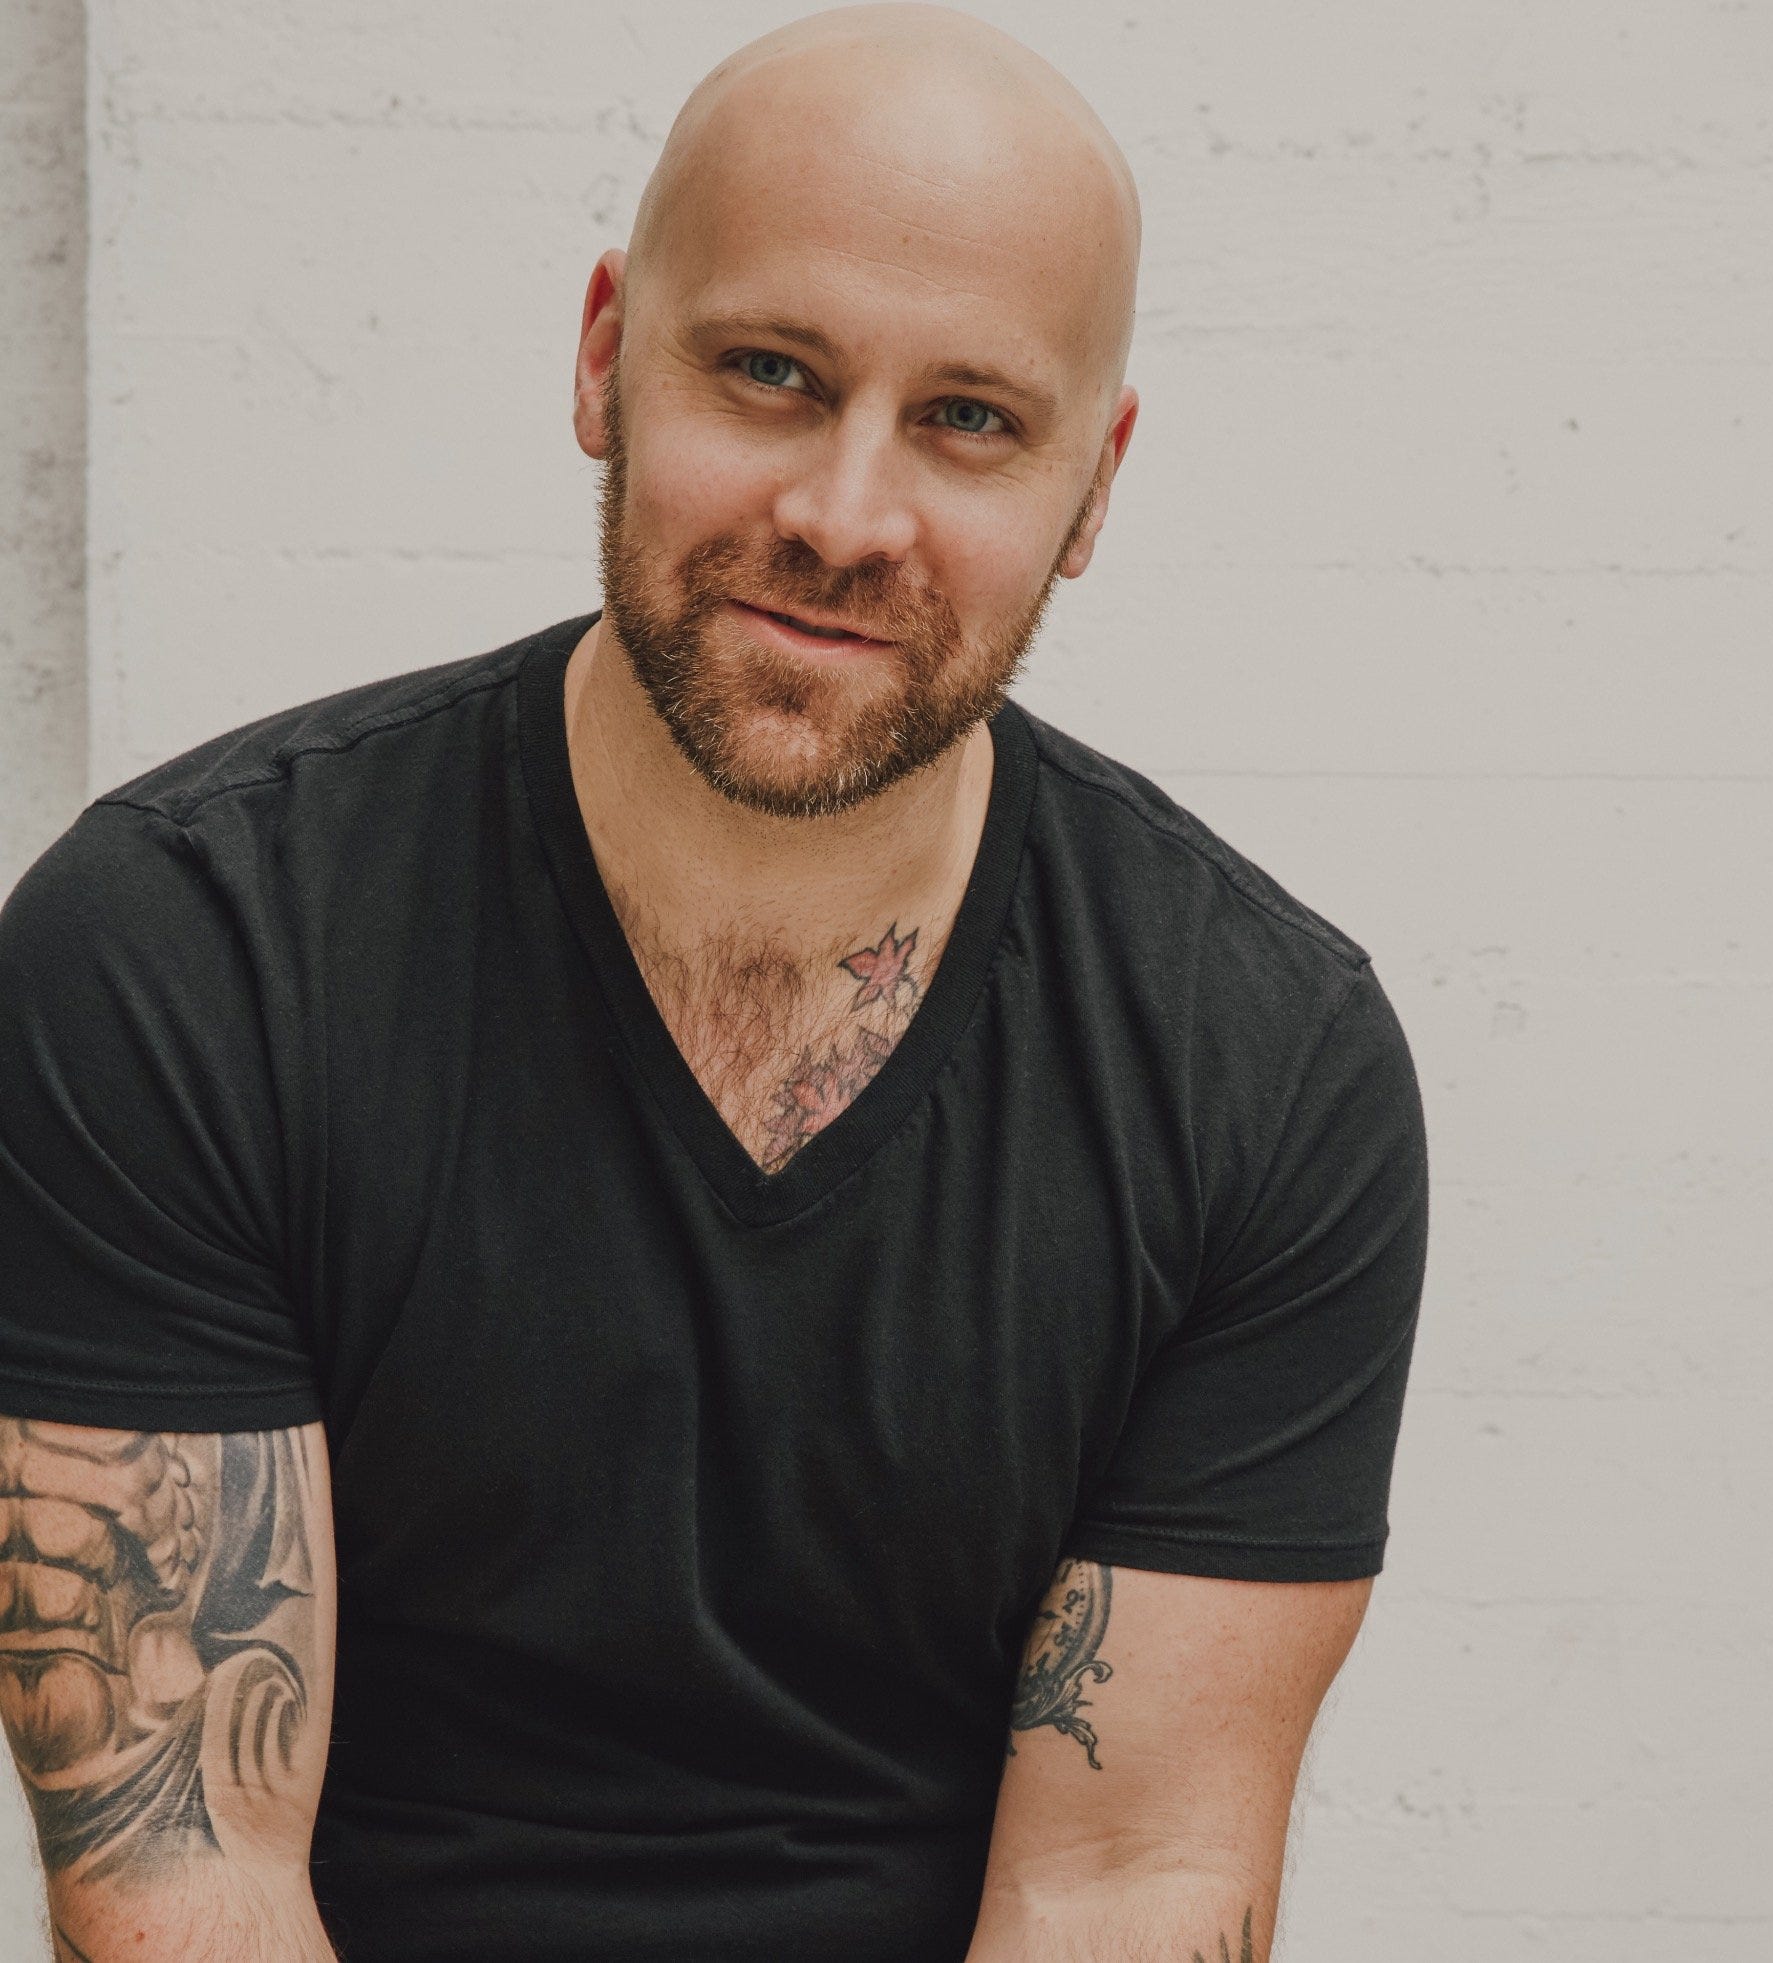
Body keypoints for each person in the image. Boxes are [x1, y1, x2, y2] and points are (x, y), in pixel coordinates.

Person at [0, 5, 1430, 1959]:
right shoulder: (182, 958)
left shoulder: (1262, 1065)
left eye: (968, 420)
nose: (842, 516)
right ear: (605, 353)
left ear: (1091, 486)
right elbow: (184, 1869)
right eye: (768, 372)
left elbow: (1130, 1875)